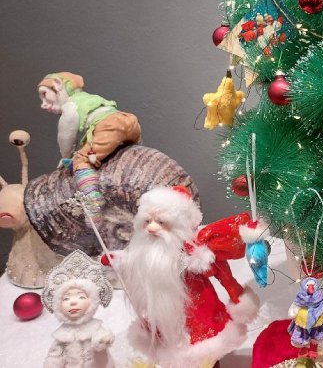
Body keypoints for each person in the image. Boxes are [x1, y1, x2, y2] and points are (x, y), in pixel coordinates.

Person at [103, 186, 264, 367]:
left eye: (161, 222)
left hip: (197, 307)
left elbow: (218, 271)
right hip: (164, 313)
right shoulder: (145, 249)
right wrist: (119, 261)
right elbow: (137, 261)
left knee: (206, 350)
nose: (152, 228)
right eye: (147, 221)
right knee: (171, 342)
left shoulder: (193, 253)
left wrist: (234, 293)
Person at [38, 72, 141, 223]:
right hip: (130, 121)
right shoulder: (89, 98)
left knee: (81, 160)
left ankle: (94, 205)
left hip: (109, 126)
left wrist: (66, 157)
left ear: (58, 85)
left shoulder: (70, 106)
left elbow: (66, 136)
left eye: (44, 94)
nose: (43, 104)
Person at [42, 250, 115, 368]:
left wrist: (102, 341)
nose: (73, 302)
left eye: (81, 297)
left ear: (92, 301)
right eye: (66, 299)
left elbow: (104, 339)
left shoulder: (95, 328)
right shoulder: (63, 335)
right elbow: (55, 355)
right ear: (58, 305)